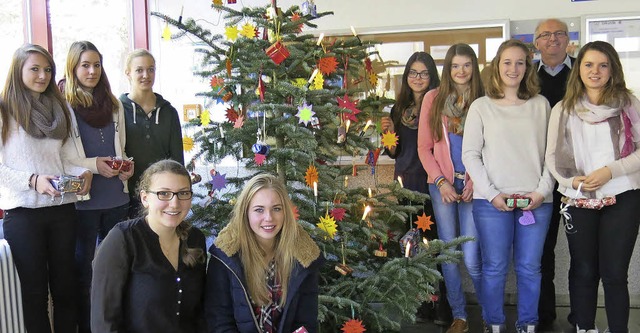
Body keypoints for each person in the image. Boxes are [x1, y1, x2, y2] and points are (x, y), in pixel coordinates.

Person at [545, 40, 640, 333]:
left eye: (602, 65)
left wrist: (610, 171)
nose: (595, 71)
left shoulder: (629, 104)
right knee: (583, 270)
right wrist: (571, 181)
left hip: (623, 195)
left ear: (612, 70)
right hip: (578, 197)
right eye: (588, 64)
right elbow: (551, 156)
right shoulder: (564, 108)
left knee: (613, 274)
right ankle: (584, 327)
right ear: (579, 69)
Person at [462, 39, 554, 333]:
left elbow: (552, 155)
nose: (513, 68)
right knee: (495, 268)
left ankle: (528, 324)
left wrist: (542, 191)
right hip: (491, 202)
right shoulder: (481, 107)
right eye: (507, 62)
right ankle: (495, 324)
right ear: (496, 66)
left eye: (520, 62)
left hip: (537, 202)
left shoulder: (541, 105)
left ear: (527, 68)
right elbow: (470, 155)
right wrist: (491, 193)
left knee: (530, 268)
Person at [0, 43, 92, 333]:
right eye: (35, 69)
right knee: (34, 293)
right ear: (18, 71)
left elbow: (64, 159)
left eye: (48, 70)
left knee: (65, 289)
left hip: (62, 210)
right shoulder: (4, 111)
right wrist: (33, 180)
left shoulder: (60, 107)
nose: (42, 76)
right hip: (23, 214)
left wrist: (83, 173)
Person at [59, 40, 133, 333]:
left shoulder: (114, 104)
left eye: (96, 65)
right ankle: (89, 327)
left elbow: (121, 146)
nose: (91, 71)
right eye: (85, 65)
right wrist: (93, 165)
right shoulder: (64, 106)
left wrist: (126, 165)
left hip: (115, 197)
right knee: (84, 273)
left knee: (118, 268)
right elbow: (62, 155)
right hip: (83, 201)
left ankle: (116, 324)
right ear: (73, 68)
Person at [91, 159, 206, 332]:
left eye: (183, 193)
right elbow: (104, 323)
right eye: (164, 194)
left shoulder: (195, 238)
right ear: (145, 198)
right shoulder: (122, 239)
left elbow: (200, 314)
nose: (174, 203)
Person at [417, 43, 484, 333]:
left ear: (474, 68)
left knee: (471, 256)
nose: (461, 71)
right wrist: (441, 181)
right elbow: (424, 147)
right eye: (455, 66)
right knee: (448, 253)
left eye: (466, 65)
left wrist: (473, 181)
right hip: (441, 185)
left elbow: (489, 148)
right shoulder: (433, 98)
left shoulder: (483, 99)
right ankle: (460, 315)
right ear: (448, 69)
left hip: (473, 184)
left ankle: (489, 310)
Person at [206, 173, 323, 333]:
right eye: (259, 210)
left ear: (285, 212)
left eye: (276, 209)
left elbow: (306, 320)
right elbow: (219, 321)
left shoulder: (303, 257)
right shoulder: (225, 257)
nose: (269, 218)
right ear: (245, 213)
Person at [533, 18, 576, 329]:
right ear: (536, 43)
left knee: (582, 252)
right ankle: (544, 314)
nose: (552, 39)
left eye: (559, 33)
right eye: (545, 35)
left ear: (568, 39)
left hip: (578, 178)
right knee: (542, 251)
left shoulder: (583, 73)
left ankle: (581, 314)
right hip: (539, 178)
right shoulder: (525, 78)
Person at [120, 49, 184, 217]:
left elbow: (177, 158)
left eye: (151, 69)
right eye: (139, 70)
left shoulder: (169, 111)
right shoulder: (117, 110)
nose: (146, 75)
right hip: (126, 196)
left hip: (163, 197)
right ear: (128, 73)